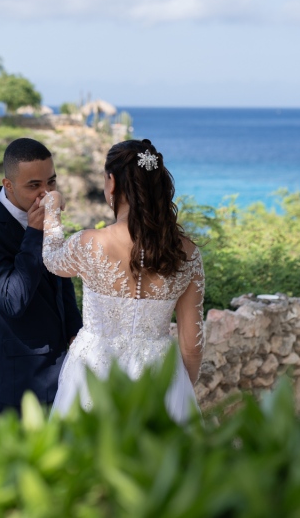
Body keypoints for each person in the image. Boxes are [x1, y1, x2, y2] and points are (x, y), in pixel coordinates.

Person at [40, 139, 204, 422]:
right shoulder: (188, 253)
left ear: (112, 182)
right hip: (160, 376)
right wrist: (180, 390)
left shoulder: (89, 243)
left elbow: (52, 258)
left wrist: (52, 207)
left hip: (93, 373)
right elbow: (192, 345)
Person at [0, 138, 83, 415]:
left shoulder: (43, 214)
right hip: (20, 377)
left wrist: (77, 336)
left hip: (66, 369)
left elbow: (59, 279)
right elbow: (12, 301)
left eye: (51, 183)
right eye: (34, 186)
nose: (46, 194)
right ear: (8, 185)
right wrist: (35, 233)